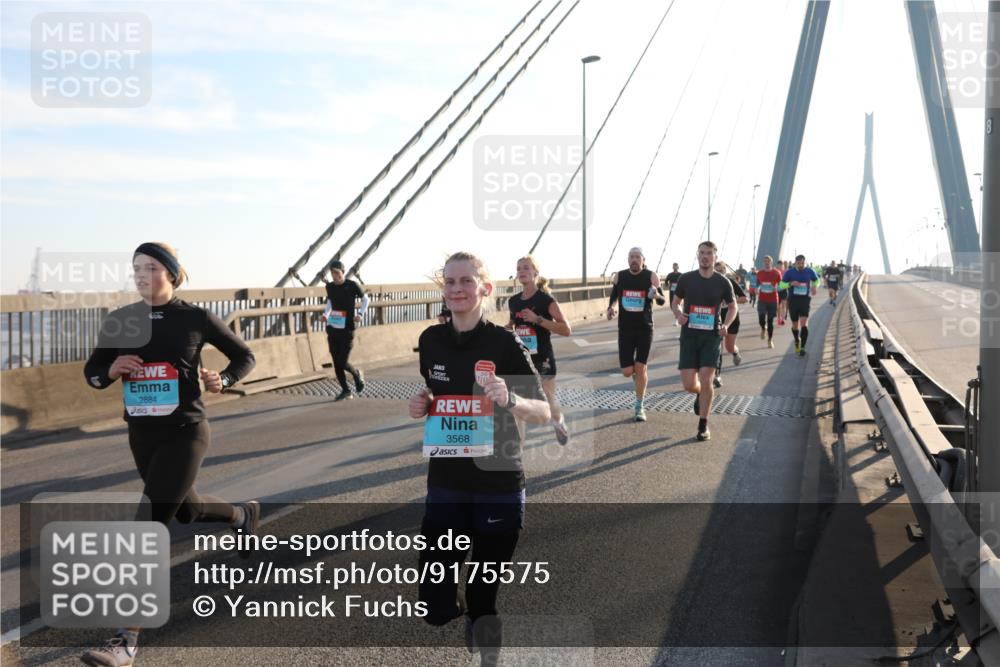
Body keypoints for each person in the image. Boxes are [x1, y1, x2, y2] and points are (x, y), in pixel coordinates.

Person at [81, 242, 258, 667]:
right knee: (185, 510)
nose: (141, 275)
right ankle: (240, 516)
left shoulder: (194, 317)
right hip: (142, 435)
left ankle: (125, 639)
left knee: (147, 526)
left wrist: (224, 377)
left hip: (186, 432)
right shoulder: (121, 321)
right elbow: (91, 374)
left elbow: (245, 355)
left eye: (152, 267)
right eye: (136, 268)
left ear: (173, 274)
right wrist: (111, 369)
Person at [409, 251, 549, 663]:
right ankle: (462, 616)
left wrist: (511, 397)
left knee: (482, 594)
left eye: (466, 281)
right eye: (450, 282)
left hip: (498, 484)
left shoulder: (504, 343)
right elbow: (438, 394)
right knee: (434, 604)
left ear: (484, 289)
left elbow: (543, 412)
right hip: (447, 484)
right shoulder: (431, 340)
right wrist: (424, 403)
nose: (456, 289)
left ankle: (487, 653)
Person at [672, 241, 736, 442]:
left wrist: (726, 325)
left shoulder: (722, 282)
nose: (705, 256)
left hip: (711, 336)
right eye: (702, 253)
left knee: (707, 379)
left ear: (715, 257)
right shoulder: (686, 279)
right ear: (697, 256)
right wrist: (679, 314)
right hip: (689, 336)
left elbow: (733, 307)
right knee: (690, 384)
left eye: (709, 253)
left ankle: (703, 425)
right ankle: (700, 394)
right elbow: (675, 303)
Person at [508, 255, 572, 444]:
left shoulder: (545, 300)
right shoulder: (513, 301)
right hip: (520, 359)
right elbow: (513, 324)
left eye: (526, 268)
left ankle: (559, 423)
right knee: (516, 404)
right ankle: (516, 448)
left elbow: (566, 329)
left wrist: (538, 320)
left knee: (549, 403)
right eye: (519, 268)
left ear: (535, 273)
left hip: (542, 358)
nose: (522, 271)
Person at [607, 247, 663, 422]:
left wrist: (655, 296)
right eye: (631, 256)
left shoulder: (651, 276)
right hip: (625, 329)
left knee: (640, 368)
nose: (634, 259)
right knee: (626, 371)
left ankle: (639, 406)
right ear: (627, 259)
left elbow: (662, 300)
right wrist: (611, 307)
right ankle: (638, 378)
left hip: (644, 329)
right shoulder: (620, 276)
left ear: (643, 260)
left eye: (637, 257)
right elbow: (614, 296)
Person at [322, 260, 369, 401]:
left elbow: (365, 299)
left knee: (342, 361)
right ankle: (345, 390)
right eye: (332, 274)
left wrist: (360, 314)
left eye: (337, 273)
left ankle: (356, 374)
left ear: (343, 272)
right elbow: (330, 303)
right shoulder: (330, 287)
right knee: (336, 361)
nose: (335, 277)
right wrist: (325, 314)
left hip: (347, 328)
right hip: (332, 327)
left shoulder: (352, 285)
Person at [713, 261, 747, 388]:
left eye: (722, 270)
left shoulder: (731, 283)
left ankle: (735, 353)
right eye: (717, 270)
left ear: (725, 271)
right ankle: (717, 375)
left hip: (732, 320)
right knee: (719, 348)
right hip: (717, 320)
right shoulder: (711, 283)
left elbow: (744, 298)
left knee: (729, 346)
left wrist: (731, 301)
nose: (720, 272)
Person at [782, 254, 820, 357]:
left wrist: (815, 286)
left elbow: (817, 280)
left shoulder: (810, 271)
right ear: (795, 263)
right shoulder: (789, 273)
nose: (801, 265)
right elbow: (781, 285)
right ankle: (797, 340)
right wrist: (791, 284)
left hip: (805, 300)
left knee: (804, 324)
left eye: (802, 263)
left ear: (805, 262)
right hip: (793, 300)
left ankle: (803, 347)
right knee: (795, 325)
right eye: (799, 263)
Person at [755, 255, 782, 349]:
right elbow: (758, 284)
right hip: (762, 299)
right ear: (763, 263)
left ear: (771, 262)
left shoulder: (776, 273)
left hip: (773, 299)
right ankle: (763, 328)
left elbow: (781, 285)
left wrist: (777, 288)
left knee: (770, 321)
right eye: (765, 261)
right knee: (761, 319)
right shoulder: (760, 273)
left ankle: (770, 340)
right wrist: (757, 289)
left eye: (768, 261)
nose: (766, 263)